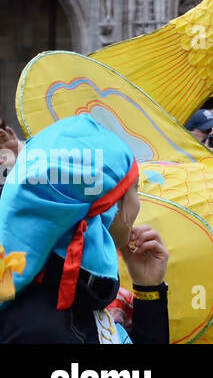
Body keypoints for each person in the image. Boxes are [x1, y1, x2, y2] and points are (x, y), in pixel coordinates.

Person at [0, 115, 169, 343]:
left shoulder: (71, 288)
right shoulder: (39, 332)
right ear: (106, 207)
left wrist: (149, 289)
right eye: (135, 188)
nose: (139, 203)